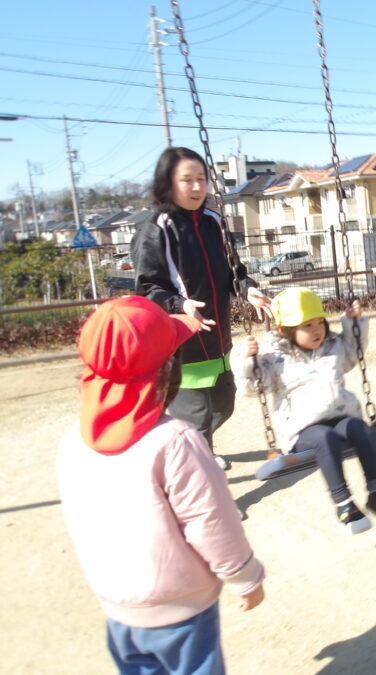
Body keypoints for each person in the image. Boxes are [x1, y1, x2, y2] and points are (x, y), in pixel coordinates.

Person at [57, 296, 266, 674]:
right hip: (181, 610)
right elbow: (210, 520)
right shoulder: (175, 441)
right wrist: (244, 576)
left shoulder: (74, 441)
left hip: (118, 606)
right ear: (168, 369)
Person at [131, 146, 272, 470]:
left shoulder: (213, 222)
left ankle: (197, 448)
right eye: (187, 180)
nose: (196, 187)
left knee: (224, 405)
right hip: (181, 344)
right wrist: (179, 304)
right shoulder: (155, 229)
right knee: (196, 417)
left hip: (218, 340)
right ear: (168, 182)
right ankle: (202, 467)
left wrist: (248, 289)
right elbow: (148, 289)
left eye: (201, 179)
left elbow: (234, 273)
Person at [233, 287, 376, 534]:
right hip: (303, 430)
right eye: (307, 326)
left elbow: (352, 354)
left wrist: (353, 323)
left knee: (360, 428)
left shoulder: (333, 346)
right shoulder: (275, 357)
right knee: (324, 437)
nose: (317, 330)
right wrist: (245, 360)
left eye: (320, 322)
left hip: (339, 416)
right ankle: (344, 505)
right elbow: (254, 386)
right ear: (284, 330)